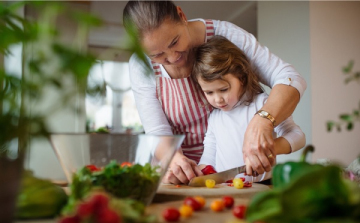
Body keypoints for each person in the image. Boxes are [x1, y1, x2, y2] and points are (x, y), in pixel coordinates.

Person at [123, 1, 307, 185]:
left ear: (182, 15)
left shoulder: (227, 36)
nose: (172, 58)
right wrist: (174, 159)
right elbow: (157, 130)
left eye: (174, 42)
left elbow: (289, 77)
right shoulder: (141, 65)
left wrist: (263, 121)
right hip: (191, 175)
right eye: (157, 55)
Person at [193, 35, 306, 182]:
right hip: (226, 188)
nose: (217, 99)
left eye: (223, 89)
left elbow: (298, 136)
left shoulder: (264, 105)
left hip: (263, 186)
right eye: (209, 92)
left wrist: (267, 150)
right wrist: (200, 175)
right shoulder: (215, 117)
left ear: (242, 78)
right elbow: (209, 154)